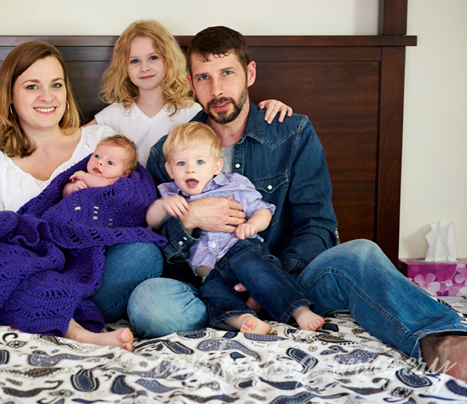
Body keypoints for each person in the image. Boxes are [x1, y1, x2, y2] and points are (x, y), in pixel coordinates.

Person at [128, 26, 467, 379]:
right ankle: (232, 314)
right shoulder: (168, 152)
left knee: (360, 253)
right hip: (209, 287)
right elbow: (159, 245)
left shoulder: (292, 132)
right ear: (191, 82)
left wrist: (270, 280)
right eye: (204, 77)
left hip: (289, 275)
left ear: (250, 73)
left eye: (227, 73)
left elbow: (316, 223)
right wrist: (189, 219)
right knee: (148, 301)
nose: (217, 89)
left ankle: (440, 338)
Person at [0, 41, 163, 351]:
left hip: (92, 275)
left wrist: (89, 205)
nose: (47, 96)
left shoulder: (100, 141)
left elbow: (136, 199)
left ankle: (42, 313)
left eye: (56, 84)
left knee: (143, 253)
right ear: (10, 96)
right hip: (30, 269)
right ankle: (76, 330)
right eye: (32, 86)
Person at [146, 122, 324, 333]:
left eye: (200, 162)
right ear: (170, 170)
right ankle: (244, 321)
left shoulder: (233, 185)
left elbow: (264, 210)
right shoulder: (172, 196)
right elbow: (151, 221)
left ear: (216, 167)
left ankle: (300, 311)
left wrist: (252, 225)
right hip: (210, 273)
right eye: (181, 163)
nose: (190, 169)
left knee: (261, 272)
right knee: (212, 294)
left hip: (240, 250)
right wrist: (161, 205)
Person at [89, 20, 291, 166]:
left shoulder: (193, 112)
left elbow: (234, 122)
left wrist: (269, 106)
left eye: (153, 58)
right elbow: (73, 139)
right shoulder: (113, 114)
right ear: (123, 67)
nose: (144, 68)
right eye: (134, 61)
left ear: (169, 60)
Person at [63, 135, 138, 197]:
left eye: (110, 163)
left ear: (124, 174)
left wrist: (83, 176)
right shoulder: (85, 174)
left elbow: (103, 184)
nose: (99, 162)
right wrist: (71, 188)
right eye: (97, 156)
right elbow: (63, 194)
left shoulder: (116, 182)